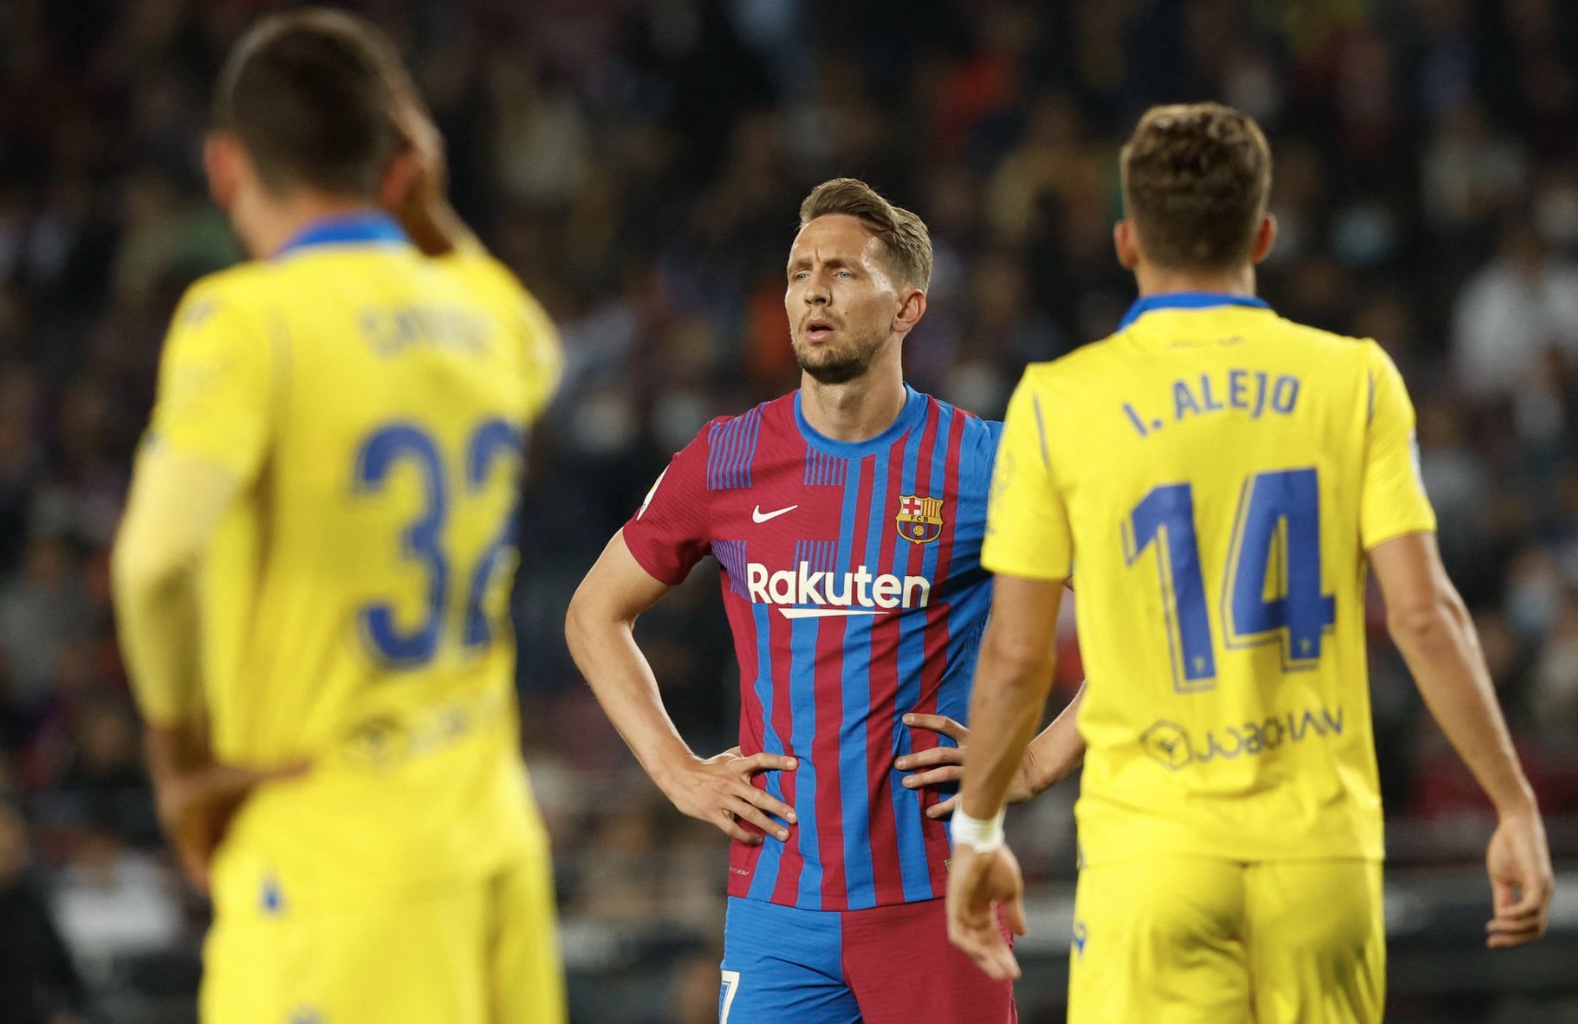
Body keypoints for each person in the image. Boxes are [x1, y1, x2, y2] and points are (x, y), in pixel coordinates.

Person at [945, 102, 1556, 1023]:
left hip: (1150, 854)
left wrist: (980, 825)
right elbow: (1425, 616)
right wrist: (1512, 804)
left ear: (1126, 240)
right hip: (1318, 854)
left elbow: (1018, 657)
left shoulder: (1059, 400)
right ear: (1263, 234)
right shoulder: (1355, 378)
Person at [111, 11, 566, 1023]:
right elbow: (543, 352)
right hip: (492, 843)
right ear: (402, 163)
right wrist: (431, 217)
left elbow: (154, 562)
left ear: (226, 166)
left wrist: (179, 762)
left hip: (330, 867)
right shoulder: (482, 312)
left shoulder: (246, 320)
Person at [567, 178, 1073, 1023]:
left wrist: (1035, 764)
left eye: (842, 271)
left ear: (908, 307)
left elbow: (1142, 613)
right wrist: (676, 771)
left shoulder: (986, 463)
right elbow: (593, 614)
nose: (813, 290)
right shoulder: (725, 458)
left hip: (935, 905)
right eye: (800, 271)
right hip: (774, 912)